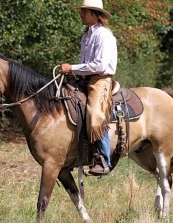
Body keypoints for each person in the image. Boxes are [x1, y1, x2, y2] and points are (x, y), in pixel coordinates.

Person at [59, 0, 117, 176]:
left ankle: (104, 160)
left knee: (95, 113)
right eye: (81, 11)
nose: (81, 14)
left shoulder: (103, 35)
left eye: (84, 12)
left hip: (100, 80)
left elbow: (99, 65)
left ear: (94, 13)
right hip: (84, 79)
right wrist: (73, 74)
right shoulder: (86, 36)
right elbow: (86, 63)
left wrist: (72, 68)